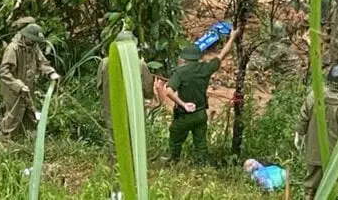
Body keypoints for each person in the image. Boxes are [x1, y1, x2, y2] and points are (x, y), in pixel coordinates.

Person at [165, 27, 240, 163]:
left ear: (184, 59)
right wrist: (232, 37)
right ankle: (203, 165)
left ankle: (173, 161)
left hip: (184, 116)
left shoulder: (180, 73)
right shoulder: (205, 68)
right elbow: (222, 54)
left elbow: (168, 91)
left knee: (175, 140)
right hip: (200, 114)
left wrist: (183, 104)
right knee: (200, 144)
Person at [295, 64, 338, 200]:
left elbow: (303, 117)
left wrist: (299, 134)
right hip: (334, 152)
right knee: (330, 182)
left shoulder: (314, 96)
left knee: (311, 182)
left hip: (313, 148)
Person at [0, 23, 60, 137]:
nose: (34, 42)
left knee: (30, 113)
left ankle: (27, 139)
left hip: (28, 87)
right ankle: (5, 142)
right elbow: (4, 72)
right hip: (13, 90)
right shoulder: (13, 48)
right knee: (13, 116)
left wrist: (51, 72)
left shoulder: (33, 46)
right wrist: (18, 85)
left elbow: (41, 62)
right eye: (32, 40)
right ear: (25, 36)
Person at [97, 31, 154, 143]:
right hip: (134, 110)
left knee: (114, 140)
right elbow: (148, 88)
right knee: (134, 140)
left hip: (112, 108)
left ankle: (115, 160)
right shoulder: (140, 65)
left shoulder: (104, 63)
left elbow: (99, 86)